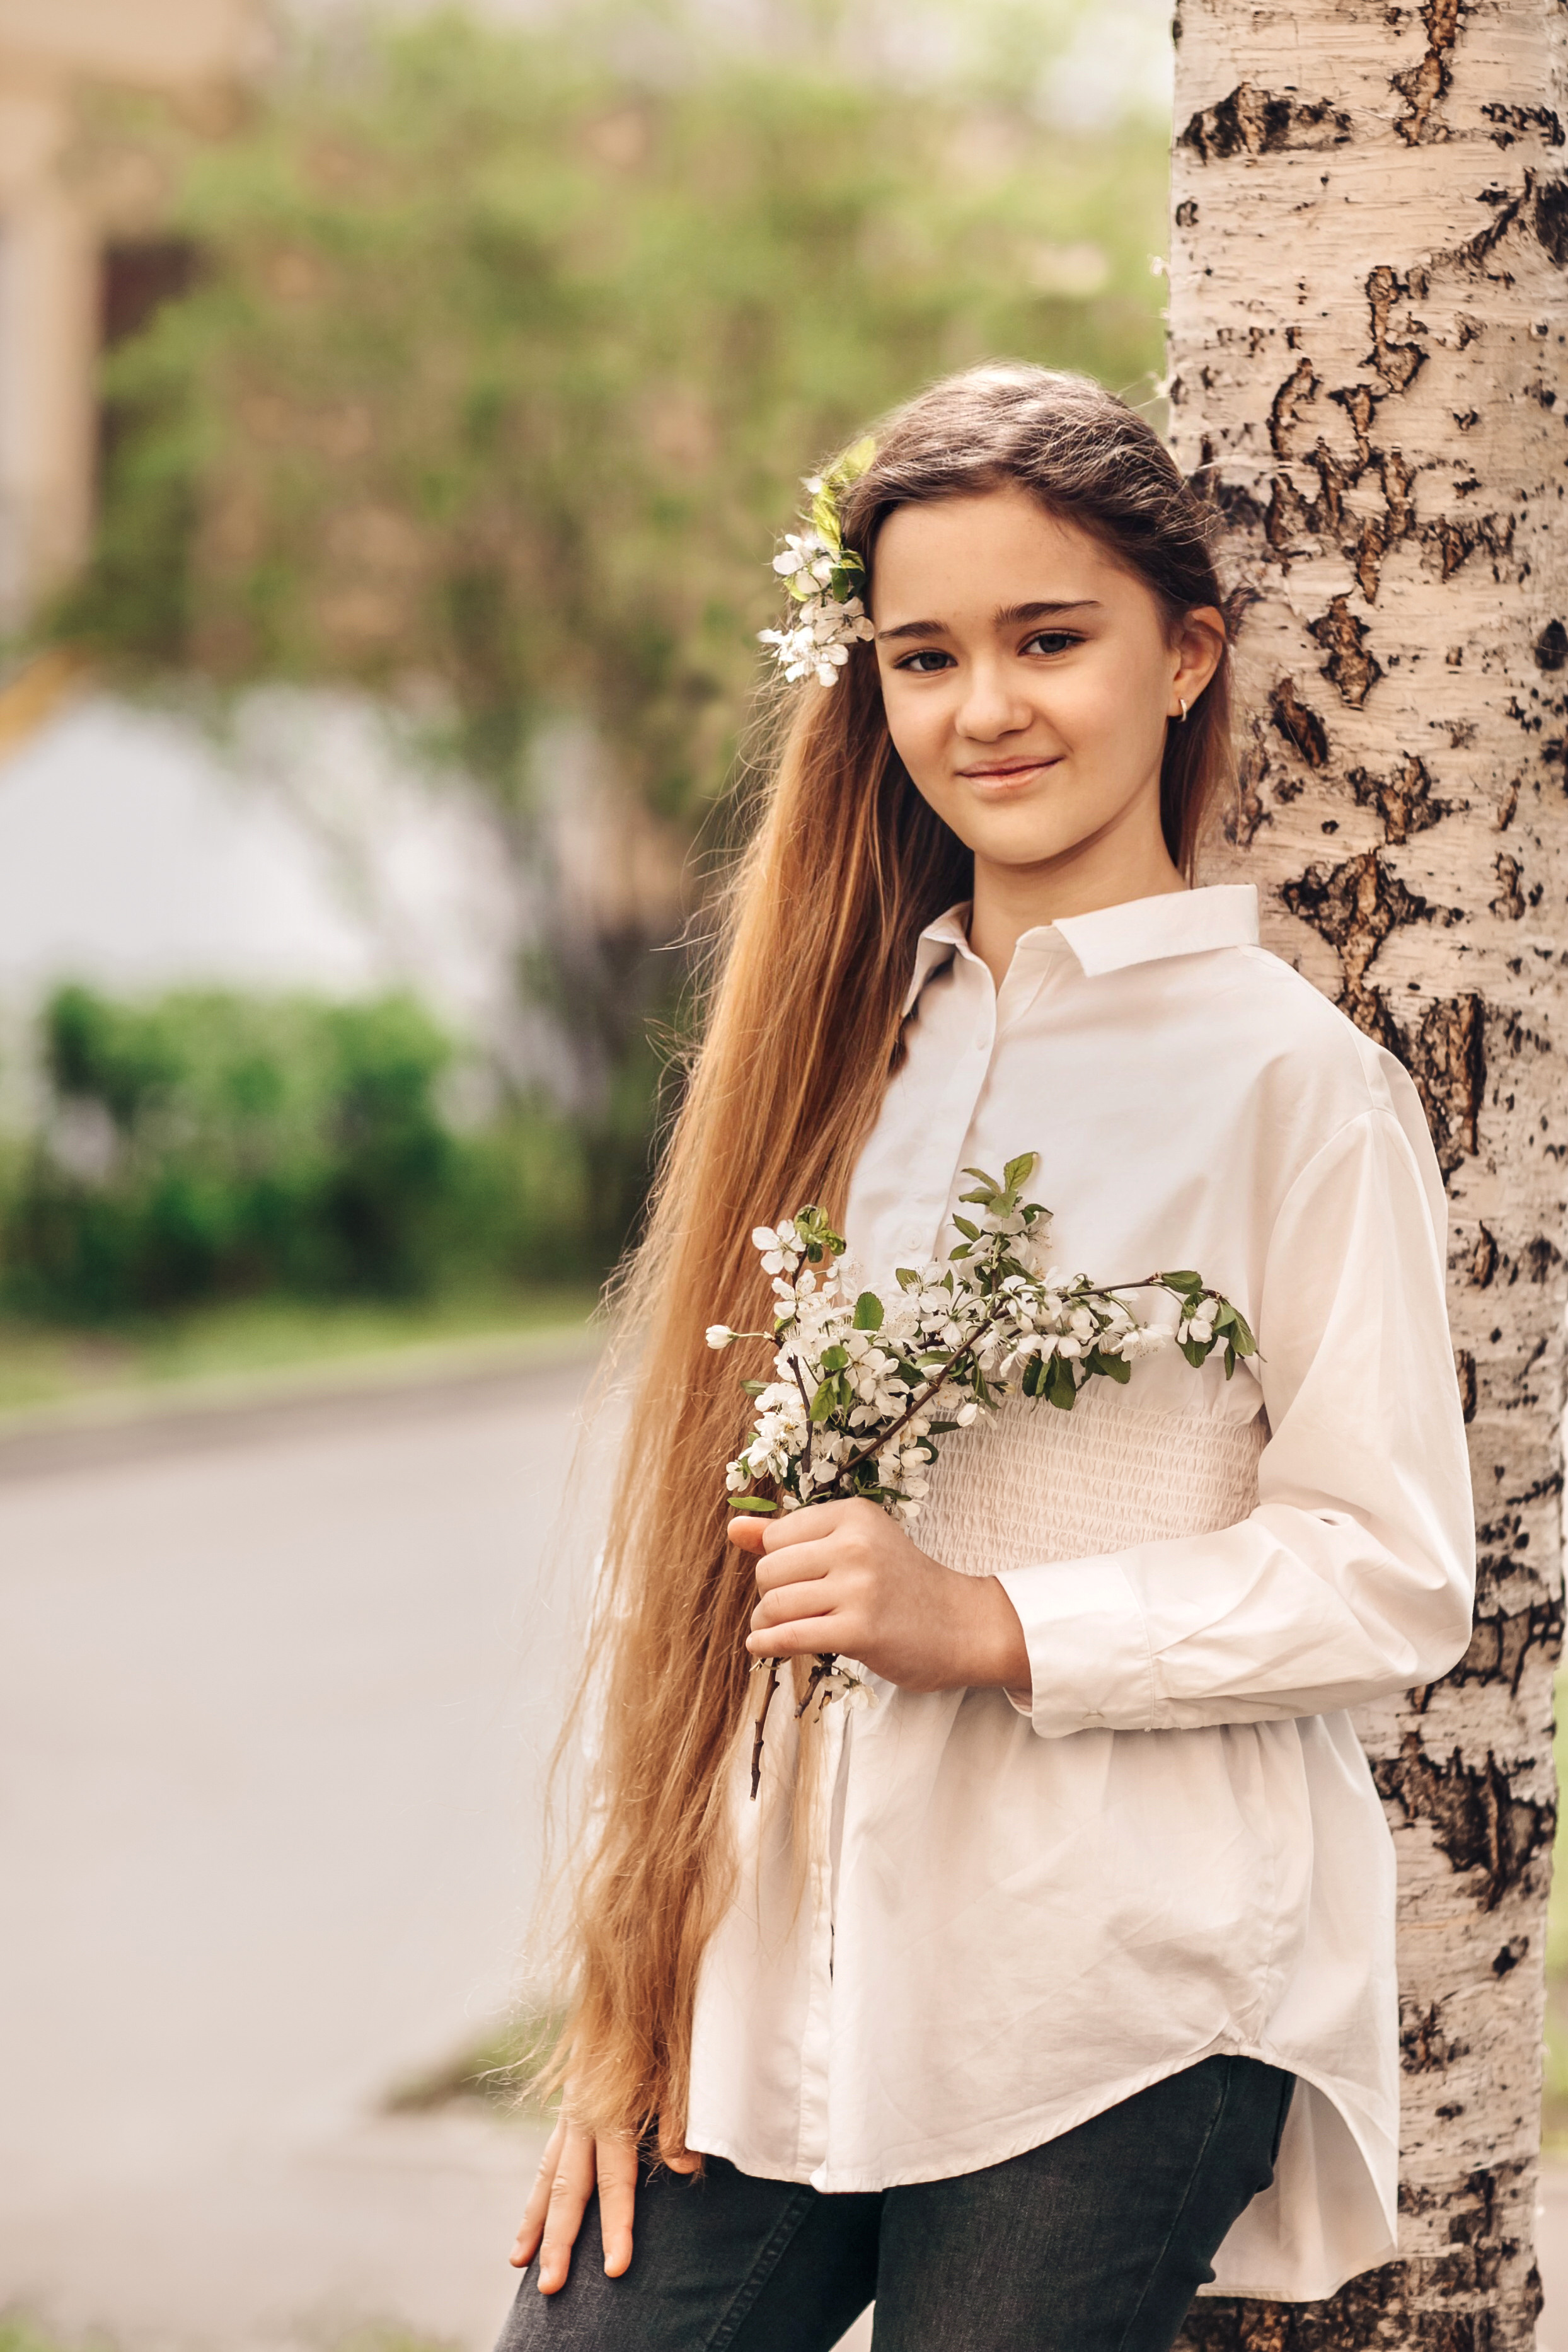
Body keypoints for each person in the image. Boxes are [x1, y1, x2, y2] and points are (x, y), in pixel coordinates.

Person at [497, 364, 1475, 2351]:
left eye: (1050, 639)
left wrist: (993, 1619)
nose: (986, 708)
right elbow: (708, 1563)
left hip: (1105, 1991)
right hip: (771, 1981)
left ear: (1185, 653)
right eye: (923, 655)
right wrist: (631, 1996)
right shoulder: (843, 1047)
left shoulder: (1295, 1084)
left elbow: (1391, 1567)